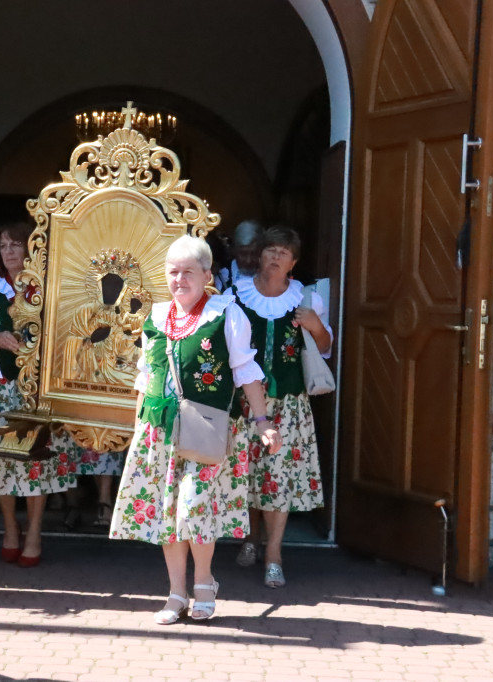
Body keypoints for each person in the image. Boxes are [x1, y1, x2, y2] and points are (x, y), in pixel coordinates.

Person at [110, 235, 280, 624]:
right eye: (173, 271)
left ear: (207, 274)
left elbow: (246, 371)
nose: (179, 279)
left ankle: (203, 581)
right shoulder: (155, 317)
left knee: (193, 507)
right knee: (166, 515)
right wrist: (139, 429)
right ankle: (175, 593)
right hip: (160, 431)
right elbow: (146, 375)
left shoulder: (226, 315)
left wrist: (262, 421)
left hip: (206, 429)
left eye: (189, 271)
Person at [0, 223, 77, 567]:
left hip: (34, 389)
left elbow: (68, 333)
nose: (9, 252)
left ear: (31, 249)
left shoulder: (48, 287)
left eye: (16, 244)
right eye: (4, 245)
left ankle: (34, 531)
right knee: (1, 463)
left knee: (34, 463)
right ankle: (10, 528)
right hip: (0, 386)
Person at [232, 225, 331, 588]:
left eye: (283, 253)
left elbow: (324, 348)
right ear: (259, 255)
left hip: (289, 406)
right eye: (270, 250)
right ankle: (249, 538)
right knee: (246, 476)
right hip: (244, 404)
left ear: (294, 262)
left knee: (278, 481)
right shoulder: (236, 295)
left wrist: (316, 325)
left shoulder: (306, 300)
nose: (275, 257)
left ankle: (273, 552)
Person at [215, 219, 263, 290]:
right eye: (243, 254)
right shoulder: (221, 279)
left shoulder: (273, 275)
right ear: (234, 250)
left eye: (254, 253)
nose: (248, 260)